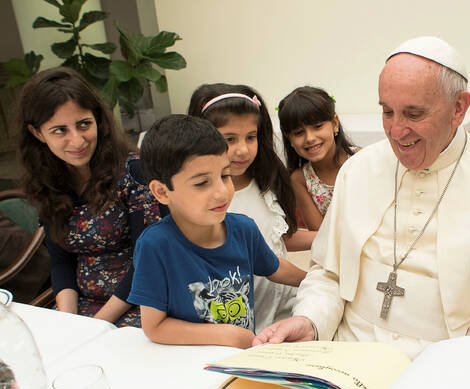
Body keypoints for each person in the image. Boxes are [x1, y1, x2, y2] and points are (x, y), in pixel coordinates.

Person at [255, 36, 470, 359]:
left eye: (413, 114)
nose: (396, 132)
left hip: (451, 361)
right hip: (348, 355)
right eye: (387, 112)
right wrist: (310, 320)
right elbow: (327, 274)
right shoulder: (358, 170)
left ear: (458, 108)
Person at [128, 115, 305, 347]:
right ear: (161, 192)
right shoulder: (156, 245)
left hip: (242, 355)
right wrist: (228, 335)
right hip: (190, 362)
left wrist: (320, 280)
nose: (222, 192)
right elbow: (154, 327)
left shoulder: (243, 228)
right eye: (202, 183)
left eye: (225, 175)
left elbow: (275, 267)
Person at [17, 67, 163, 326]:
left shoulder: (134, 173)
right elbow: (61, 264)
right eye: (59, 130)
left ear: (97, 120)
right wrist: (69, 322)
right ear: (37, 133)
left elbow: (148, 261)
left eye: (84, 124)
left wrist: (96, 324)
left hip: (143, 305)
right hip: (82, 309)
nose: (77, 140)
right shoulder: (45, 182)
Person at [188, 84, 313, 332]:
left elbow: (278, 238)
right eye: (229, 139)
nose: (243, 150)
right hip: (240, 323)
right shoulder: (202, 205)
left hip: (287, 307)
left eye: (251, 137)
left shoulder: (266, 181)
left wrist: (326, 240)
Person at [278, 86, 359, 230]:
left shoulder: (361, 159)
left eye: (317, 126)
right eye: (298, 132)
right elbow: (318, 234)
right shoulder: (300, 179)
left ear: (335, 123)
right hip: (333, 250)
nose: (309, 138)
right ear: (288, 138)